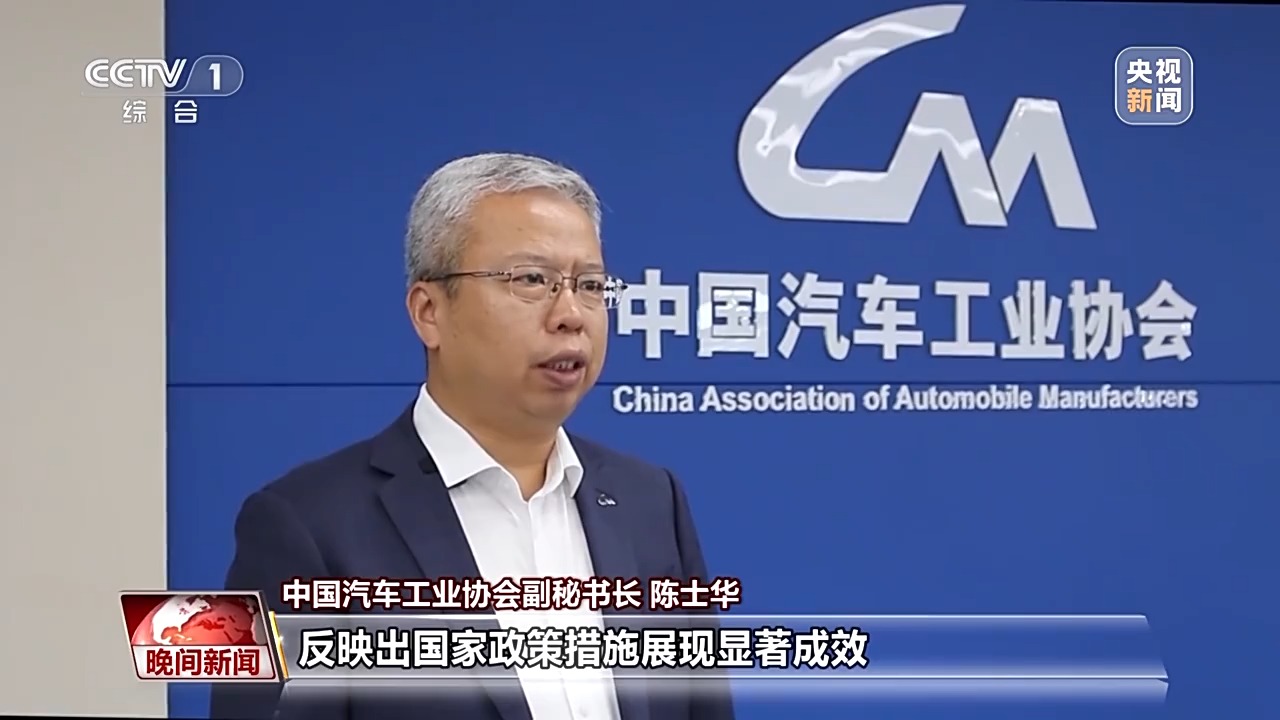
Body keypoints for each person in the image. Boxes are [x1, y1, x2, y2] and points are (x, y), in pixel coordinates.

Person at [209, 152, 735, 720]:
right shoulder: (304, 527)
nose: (571, 314)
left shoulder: (650, 501)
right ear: (429, 312)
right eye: (531, 280)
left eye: (589, 285)